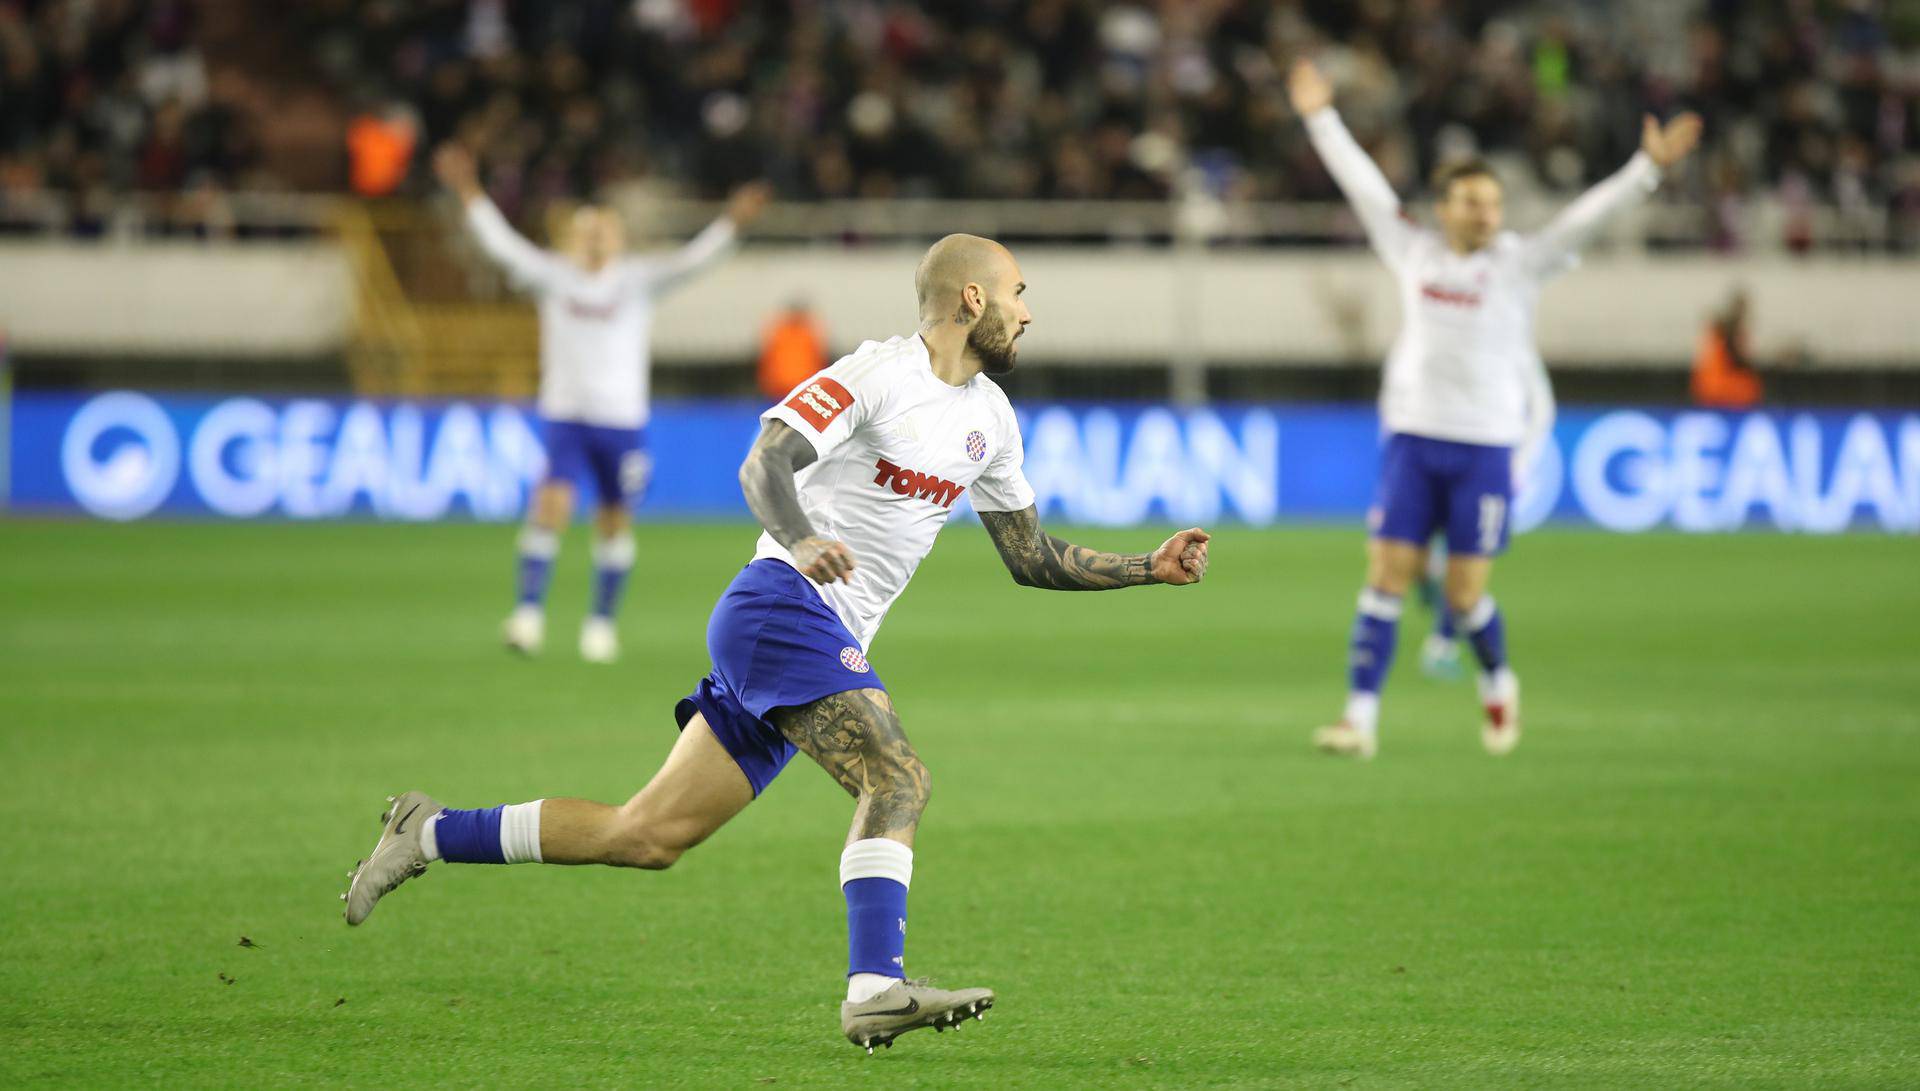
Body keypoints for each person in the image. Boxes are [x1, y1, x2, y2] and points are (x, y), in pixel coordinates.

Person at [340, 233, 1212, 1053]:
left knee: (645, 834)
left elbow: (1030, 556)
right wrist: (798, 537)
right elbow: (765, 460)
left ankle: (429, 832)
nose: (1028, 311)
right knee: (897, 775)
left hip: (809, 631)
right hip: (781, 602)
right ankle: (875, 985)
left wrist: (1149, 564)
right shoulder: (876, 374)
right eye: (1019, 293)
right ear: (972, 299)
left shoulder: (992, 417)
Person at [1288, 58, 1699, 759]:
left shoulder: (1518, 264)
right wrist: (1321, 118)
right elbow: (1364, 187)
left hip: (1484, 449)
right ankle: (1359, 720)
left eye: (1494, 203)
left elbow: (1582, 220)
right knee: (1385, 577)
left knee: (1462, 595)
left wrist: (1646, 171)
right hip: (1413, 441)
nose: (1487, 213)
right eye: (1473, 202)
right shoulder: (1412, 248)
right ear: (1444, 206)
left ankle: (1499, 680)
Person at [433, 143, 770, 663]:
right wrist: (468, 191)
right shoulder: (552, 275)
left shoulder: (637, 282)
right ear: (571, 236)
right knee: (551, 506)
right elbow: (500, 245)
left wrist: (731, 222)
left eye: (603, 230)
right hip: (566, 414)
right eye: (585, 229)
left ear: (616, 238)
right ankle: (527, 615)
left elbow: (692, 261)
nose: (594, 237)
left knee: (613, 519)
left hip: (620, 421)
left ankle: (600, 624)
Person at [1691, 289, 1763, 408]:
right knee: (1753, 384)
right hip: (1722, 387)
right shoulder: (1729, 330)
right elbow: (1737, 358)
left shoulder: (1720, 328)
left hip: (1706, 385)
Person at [758, 299, 829, 400]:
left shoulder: (807, 333)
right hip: (783, 386)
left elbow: (818, 358)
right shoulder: (782, 332)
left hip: (799, 384)